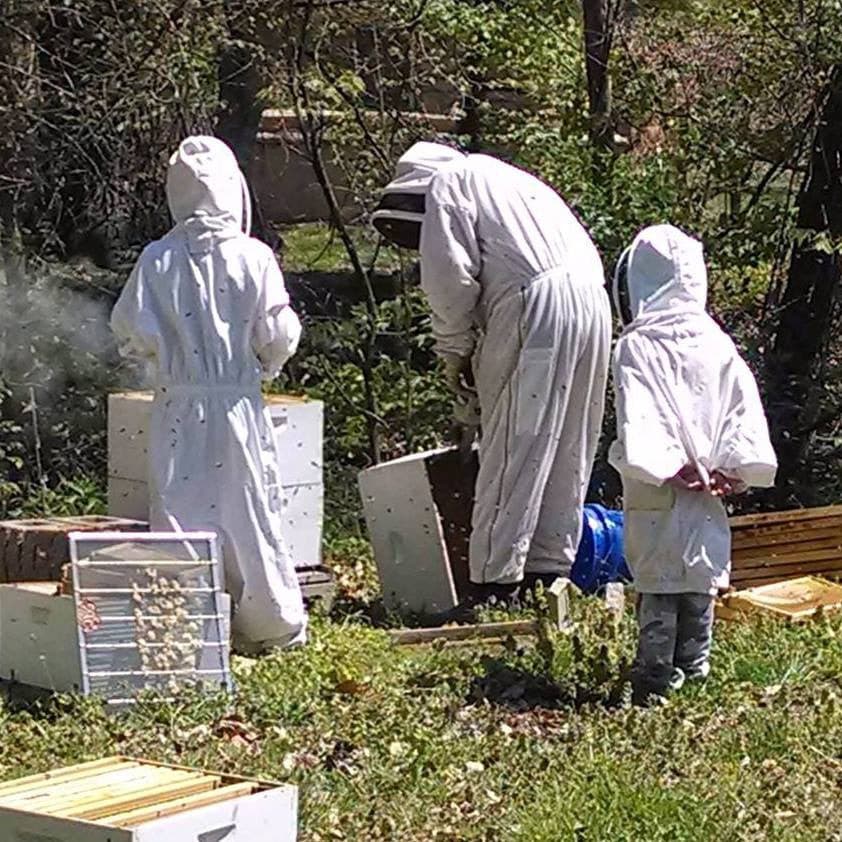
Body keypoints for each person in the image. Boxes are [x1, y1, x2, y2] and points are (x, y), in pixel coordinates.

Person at [372, 141, 611, 621]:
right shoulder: (510, 180)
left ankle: (493, 586)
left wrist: (453, 352)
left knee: (514, 445)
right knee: (567, 445)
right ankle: (547, 577)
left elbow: (450, 280)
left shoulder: (449, 182)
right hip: (593, 303)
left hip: (536, 306)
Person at [111, 135, 307, 652]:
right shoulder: (254, 256)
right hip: (237, 403)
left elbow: (129, 330)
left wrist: (164, 363)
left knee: (179, 510)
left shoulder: (156, 259)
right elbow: (279, 333)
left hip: (178, 404)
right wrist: (266, 366)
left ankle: (184, 630)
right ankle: (267, 625)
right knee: (247, 508)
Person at [609, 224, 777, 704]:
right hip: (710, 489)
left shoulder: (636, 345)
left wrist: (663, 464)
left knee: (660, 581)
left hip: (658, 485)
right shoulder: (717, 342)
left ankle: (655, 682)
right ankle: (694, 677)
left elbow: (637, 413)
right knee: (698, 575)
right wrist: (735, 468)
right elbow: (742, 408)